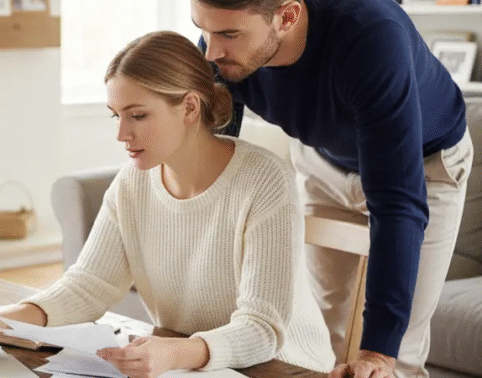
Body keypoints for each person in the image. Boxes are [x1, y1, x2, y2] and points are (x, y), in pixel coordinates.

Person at [0, 30, 335, 377]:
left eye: (138, 116)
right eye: (116, 116)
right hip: (189, 365)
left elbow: (262, 329)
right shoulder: (134, 183)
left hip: (282, 366)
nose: (122, 135)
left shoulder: (263, 181)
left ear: (189, 107)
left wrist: (175, 353)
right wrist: (3, 320)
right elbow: (90, 285)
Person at [189, 0, 474, 377]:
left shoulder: (371, 38)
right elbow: (214, 152)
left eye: (228, 34)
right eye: (203, 30)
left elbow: (397, 203)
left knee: (394, 354)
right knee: (320, 339)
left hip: (423, 165)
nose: (210, 51)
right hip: (323, 159)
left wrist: (378, 354)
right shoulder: (221, 46)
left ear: (287, 16)